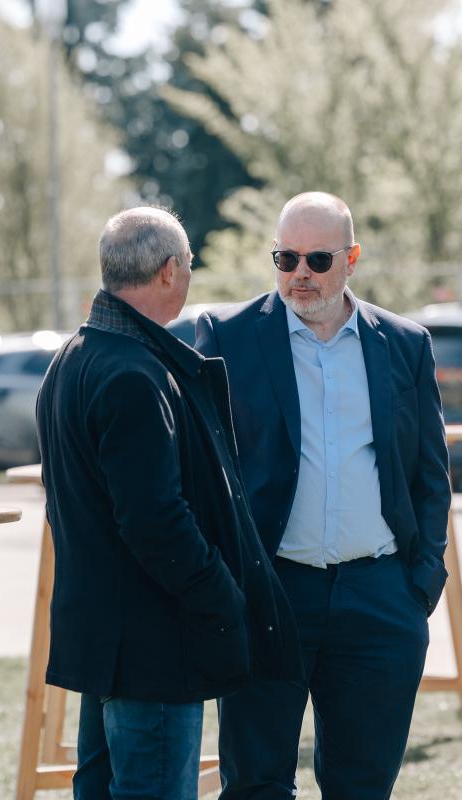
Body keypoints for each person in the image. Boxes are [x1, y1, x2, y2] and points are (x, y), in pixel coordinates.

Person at [34, 207, 301, 800]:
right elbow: (155, 521)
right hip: (153, 648)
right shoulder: (134, 374)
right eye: (189, 264)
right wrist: (222, 595)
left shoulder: (73, 358)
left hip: (107, 644)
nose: (189, 275)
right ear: (167, 271)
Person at [195, 191, 451, 799]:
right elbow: (202, 470)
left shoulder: (405, 343)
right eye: (286, 259)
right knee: (256, 786)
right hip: (271, 594)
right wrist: (229, 582)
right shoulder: (227, 336)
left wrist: (420, 582)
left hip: (380, 599)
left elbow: (429, 473)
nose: (300, 274)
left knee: (362, 787)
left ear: (351, 259)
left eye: (317, 259)